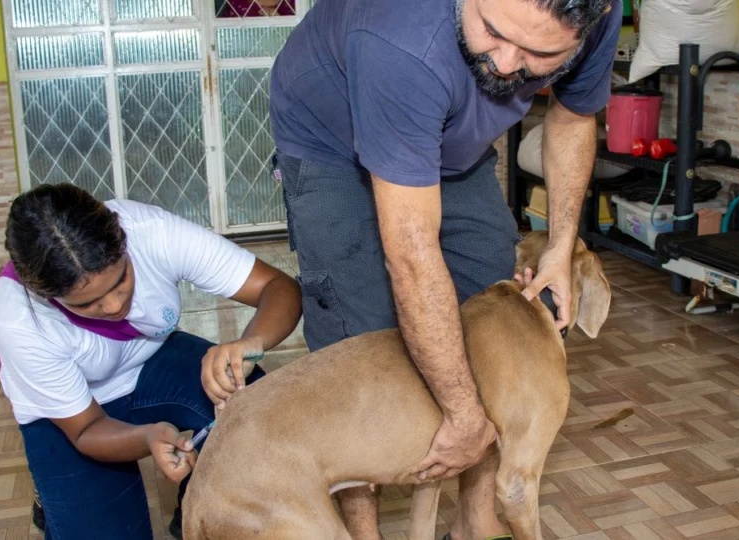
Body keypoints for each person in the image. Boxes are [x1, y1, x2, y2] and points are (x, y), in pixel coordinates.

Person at [265, 0, 622, 538]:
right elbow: (412, 257)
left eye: (538, 53)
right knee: (360, 339)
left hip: (450, 136)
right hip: (330, 141)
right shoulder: (400, 35)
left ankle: (475, 524)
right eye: (492, 33)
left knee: (490, 311)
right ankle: (366, 535)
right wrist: (461, 418)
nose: (505, 65)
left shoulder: (598, 10)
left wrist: (560, 246)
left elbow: (572, 118)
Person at [0, 183, 302, 540]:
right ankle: (54, 493)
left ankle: (197, 505)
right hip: (71, 417)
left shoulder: (150, 232)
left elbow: (277, 287)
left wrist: (252, 342)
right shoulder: (20, 316)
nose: (112, 306)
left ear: (123, 241)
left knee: (256, 414)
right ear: (44, 294)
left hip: (152, 361)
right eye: (85, 304)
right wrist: (148, 438)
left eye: (120, 280)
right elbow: (87, 430)